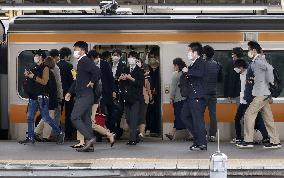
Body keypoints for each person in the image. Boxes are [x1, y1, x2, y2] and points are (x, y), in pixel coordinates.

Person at [237, 41, 281, 149]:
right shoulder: (258, 60)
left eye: (249, 50)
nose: (248, 52)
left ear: (254, 50)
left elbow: (270, 69)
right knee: (268, 118)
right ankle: (275, 142)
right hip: (263, 93)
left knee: (248, 114)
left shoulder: (258, 61)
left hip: (261, 94)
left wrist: (271, 83)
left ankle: (248, 141)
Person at [19, 49, 65, 144]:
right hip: (33, 96)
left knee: (46, 118)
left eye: (37, 55)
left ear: (41, 57)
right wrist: (28, 75)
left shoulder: (45, 68)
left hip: (42, 97)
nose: (35, 57)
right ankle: (31, 138)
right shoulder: (34, 67)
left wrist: (33, 77)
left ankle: (60, 133)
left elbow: (44, 81)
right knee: (30, 117)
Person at [65, 41, 101, 152]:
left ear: (83, 50)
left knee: (74, 117)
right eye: (74, 49)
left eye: (76, 49)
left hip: (85, 95)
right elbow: (77, 81)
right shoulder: (81, 62)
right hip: (84, 95)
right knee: (86, 120)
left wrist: (92, 81)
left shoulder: (84, 60)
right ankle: (90, 146)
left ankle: (90, 139)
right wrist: (70, 92)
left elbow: (97, 71)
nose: (74, 51)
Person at [232, 59, 269, 144]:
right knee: (255, 119)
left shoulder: (248, 75)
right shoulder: (241, 75)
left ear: (241, 67)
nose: (235, 69)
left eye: (236, 67)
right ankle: (265, 137)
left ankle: (243, 138)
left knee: (252, 119)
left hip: (248, 101)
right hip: (243, 101)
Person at [181, 42, 207, 151]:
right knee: (184, 116)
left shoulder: (201, 62)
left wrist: (188, 72)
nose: (188, 53)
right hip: (190, 95)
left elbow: (199, 73)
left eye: (189, 51)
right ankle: (198, 138)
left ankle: (201, 143)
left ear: (195, 52)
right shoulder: (192, 63)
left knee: (197, 119)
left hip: (197, 95)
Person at [119, 54, 144, 145]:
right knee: (129, 119)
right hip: (126, 97)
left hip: (136, 98)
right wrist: (121, 79)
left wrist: (131, 78)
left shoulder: (139, 70)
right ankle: (136, 133)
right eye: (129, 58)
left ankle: (132, 139)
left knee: (133, 119)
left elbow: (140, 84)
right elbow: (121, 82)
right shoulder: (125, 69)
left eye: (132, 58)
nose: (130, 59)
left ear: (136, 60)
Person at [34, 56, 59, 141]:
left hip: (43, 98)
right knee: (50, 117)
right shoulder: (50, 73)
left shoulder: (43, 71)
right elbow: (52, 88)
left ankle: (36, 132)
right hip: (50, 99)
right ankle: (45, 136)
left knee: (45, 116)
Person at [165, 58, 186, 140]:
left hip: (178, 99)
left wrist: (171, 98)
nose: (174, 67)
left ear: (177, 65)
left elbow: (173, 88)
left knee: (178, 116)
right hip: (185, 98)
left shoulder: (176, 75)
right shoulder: (185, 73)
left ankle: (172, 134)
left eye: (174, 65)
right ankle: (172, 133)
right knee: (184, 116)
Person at [202, 45, 221, 142]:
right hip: (213, 93)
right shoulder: (217, 64)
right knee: (213, 114)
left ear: (204, 54)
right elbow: (220, 79)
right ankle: (212, 135)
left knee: (199, 114)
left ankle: (203, 134)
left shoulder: (201, 64)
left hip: (202, 93)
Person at [58, 47, 75, 140]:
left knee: (57, 114)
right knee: (69, 114)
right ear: (66, 56)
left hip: (58, 94)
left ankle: (58, 133)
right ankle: (68, 134)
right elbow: (74, 80)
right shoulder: (70, 67)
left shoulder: (55, 65)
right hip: (68, 94)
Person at [111, 49, 127, 139]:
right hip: (110, 92)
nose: (115, 57)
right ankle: (111, 130)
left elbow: (124, 79)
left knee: (119, 111)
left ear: (120, 57)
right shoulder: (108, 65)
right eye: (114, 55)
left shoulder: (123, 66)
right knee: (110, 111)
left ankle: (117, 130)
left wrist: (117, 79)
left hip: (119, 92)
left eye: (117, 55)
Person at [146, 46, 161, 137]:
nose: (151, 59)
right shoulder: (148, 69)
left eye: (153, 57)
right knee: (148, 112)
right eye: (150, 57)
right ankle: (149, 129)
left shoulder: (160, 69)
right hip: (148, 94)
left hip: (157, 95)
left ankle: (156, 129)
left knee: (156, 112)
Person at [49, 49, 63, 128]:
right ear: (56, 56)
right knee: (56, 114)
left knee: (47, 115)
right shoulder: (55, 67)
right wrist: (60, 96)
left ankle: (38, 132)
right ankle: (55, 133)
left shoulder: (45, 65)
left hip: (47, 95)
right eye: (58, 56)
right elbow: (58, 84)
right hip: (55, 95)